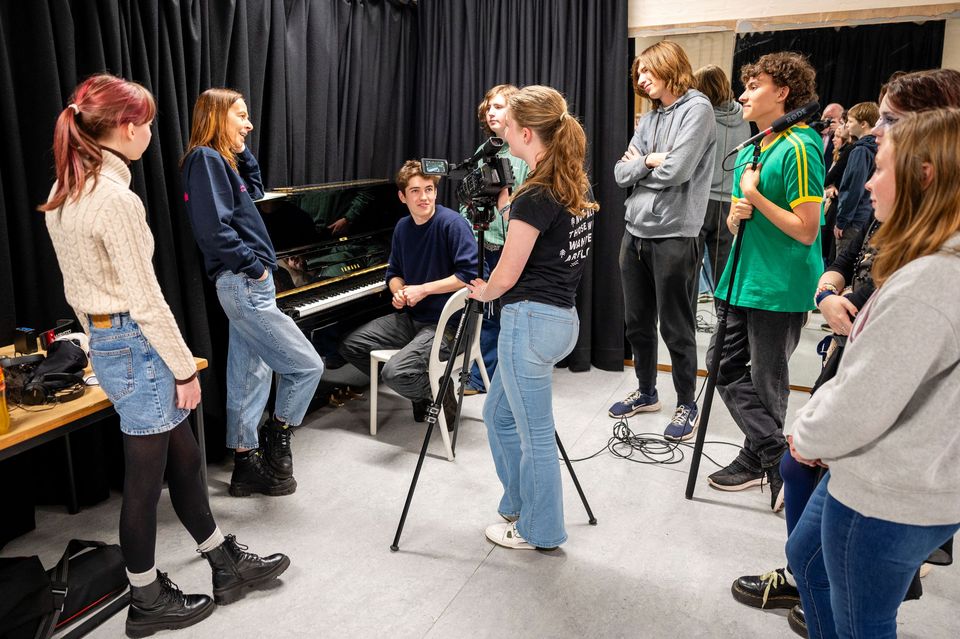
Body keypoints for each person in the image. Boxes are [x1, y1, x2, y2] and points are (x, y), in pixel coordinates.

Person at [40, 74, 288, 638]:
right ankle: (146, 597)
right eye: (147, 122)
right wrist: (182, 367)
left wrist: (101, 346)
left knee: (183, 456)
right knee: (146, 479)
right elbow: (146, 298)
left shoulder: (66, 191)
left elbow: (79, 292)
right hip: (136, 342)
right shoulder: (114, 198)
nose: (151, 132)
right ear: (127, 128)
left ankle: (222, 560)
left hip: (110, 341)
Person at [729, 68, 960, 638]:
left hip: (889, 488)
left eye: (879, 169)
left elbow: (866, 400)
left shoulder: (931, 282)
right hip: (872, 469)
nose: (865, 184)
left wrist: (805, 438)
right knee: (809, 558)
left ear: (923, 174)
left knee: (863, 619)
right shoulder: (919, 258)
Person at [465, 85, 597, 551]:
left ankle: (540, 530)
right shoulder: (568, 183)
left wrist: (485, 290)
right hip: (559, 319)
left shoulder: (537, 193)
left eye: (508, 124)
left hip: (529, 321)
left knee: (536, 435)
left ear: (524, 132)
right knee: (498, 414)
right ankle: (519, 503)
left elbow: (509, 269)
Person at [181, 88, 324, 497]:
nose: (249, 123)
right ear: (216, 117)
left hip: (247, 283)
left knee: (249, 375)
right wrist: (256, 268)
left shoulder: (222, 161)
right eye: (240, 115)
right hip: (244, 282)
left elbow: (257, 195)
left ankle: (245, 465)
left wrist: (241, 150)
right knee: (306, 366)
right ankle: (278, 435)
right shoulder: (204, 159)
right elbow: (213, 230)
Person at [706, 52, 824, 508]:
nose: (743, 95)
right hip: (742, 278)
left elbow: (806, 228)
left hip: (779, 285)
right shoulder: (754, 148)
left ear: (783, 93)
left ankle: (760, 459)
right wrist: (738, 215)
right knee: (722, 365)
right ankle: (775, 455)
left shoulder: (800, 145)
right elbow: (747, 221)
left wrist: (754, 195)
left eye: (754, 86)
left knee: (766, 379)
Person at [608, 40, 717, 442]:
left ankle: (686, 403)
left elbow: (677, 170)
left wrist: (645, 163)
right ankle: (647, 392)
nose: (640, 79)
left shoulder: (698, 109)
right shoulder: (652, 116)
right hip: (634, 232)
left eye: (646, 72)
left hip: (674, 234)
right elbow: (619, 173)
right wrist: (648, 161)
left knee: (676, 326)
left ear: (668, 66)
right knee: (637, 323)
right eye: (638, 74)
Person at [338, 160, 478, 423]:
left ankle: (434, 390)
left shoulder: (453, 224)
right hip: (412, 319)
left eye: (428, 189)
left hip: (448, 325)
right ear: (403, 196)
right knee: (351, 346)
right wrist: (399, 292)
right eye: (415, 191)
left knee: (394, 373)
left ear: (436, 192)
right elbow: (393, 274)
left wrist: (423, 290)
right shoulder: (403, 227)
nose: (423, 197)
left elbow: (469, 276)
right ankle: (428, 389)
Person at [461, 84, 530, 395]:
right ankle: (481, 378)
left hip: (512, 246)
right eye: (488, 106)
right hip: (484, 245)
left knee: (512, 316)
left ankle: (511, 378)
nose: (491, 112)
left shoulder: (523, 155)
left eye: (499, 106)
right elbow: (469, 197)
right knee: (486, 314)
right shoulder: (483, 153)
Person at [693, 64, 752, 295]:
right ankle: (725, 326)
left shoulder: (699, 118)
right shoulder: (745, 116)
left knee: (690, 275)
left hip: (701, 201)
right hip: (731, 202)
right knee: (724, 277)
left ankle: (689, 329)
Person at [833, 102, 879, 256]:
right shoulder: (878, 147)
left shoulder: (860, 150)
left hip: (852, 221)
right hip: (866, 216)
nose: (847, 125)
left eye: (850, 121)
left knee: (843, 263)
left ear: (864, 124)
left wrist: (842, 220)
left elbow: (854, 188)